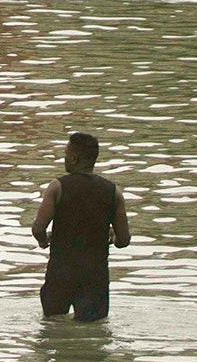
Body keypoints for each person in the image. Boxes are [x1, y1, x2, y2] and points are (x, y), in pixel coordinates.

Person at [33, 132, 131, 322]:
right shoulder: (113, 192)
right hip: (95, 276)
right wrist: (113, 237)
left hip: (61, 273)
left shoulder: (57, 187)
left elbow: (38, 228)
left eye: (65, 155)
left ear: (74, 158)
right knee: (93, 330)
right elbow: (124, 240)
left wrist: (44, 240)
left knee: (53, 327)